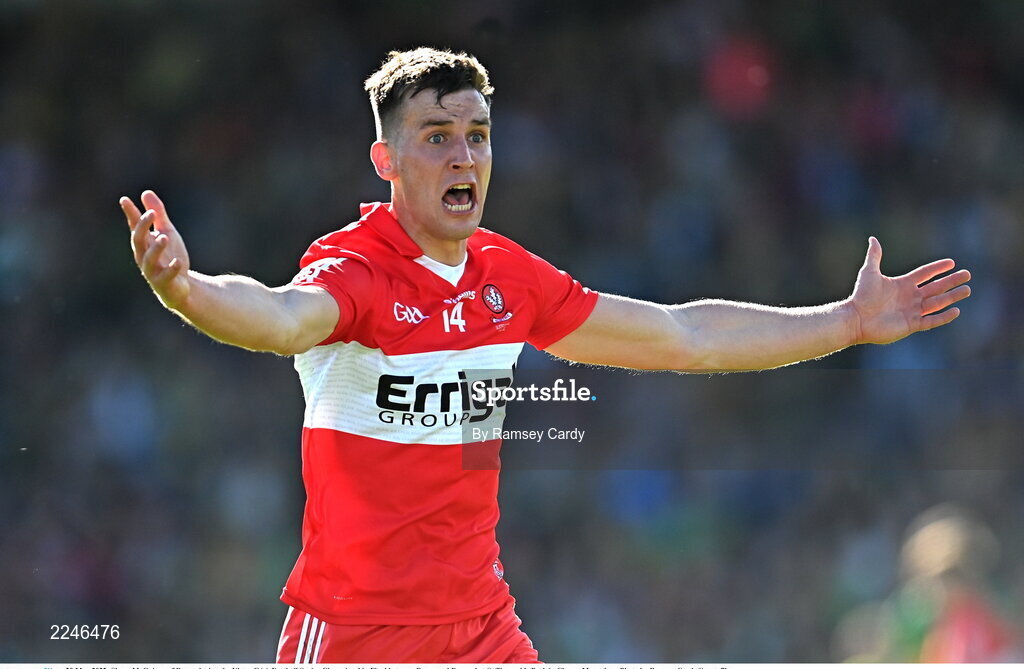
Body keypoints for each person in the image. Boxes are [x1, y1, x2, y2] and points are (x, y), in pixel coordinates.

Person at [120, 47, 972, 662]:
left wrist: (846, 321)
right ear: (386, 159)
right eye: (437, 136)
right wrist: (185, 289)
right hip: (358, 637)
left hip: (483, 629)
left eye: (477, 134)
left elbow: (682, 336)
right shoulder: (354, 272)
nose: (464, 155)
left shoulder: (505, 275)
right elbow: (276, 316)